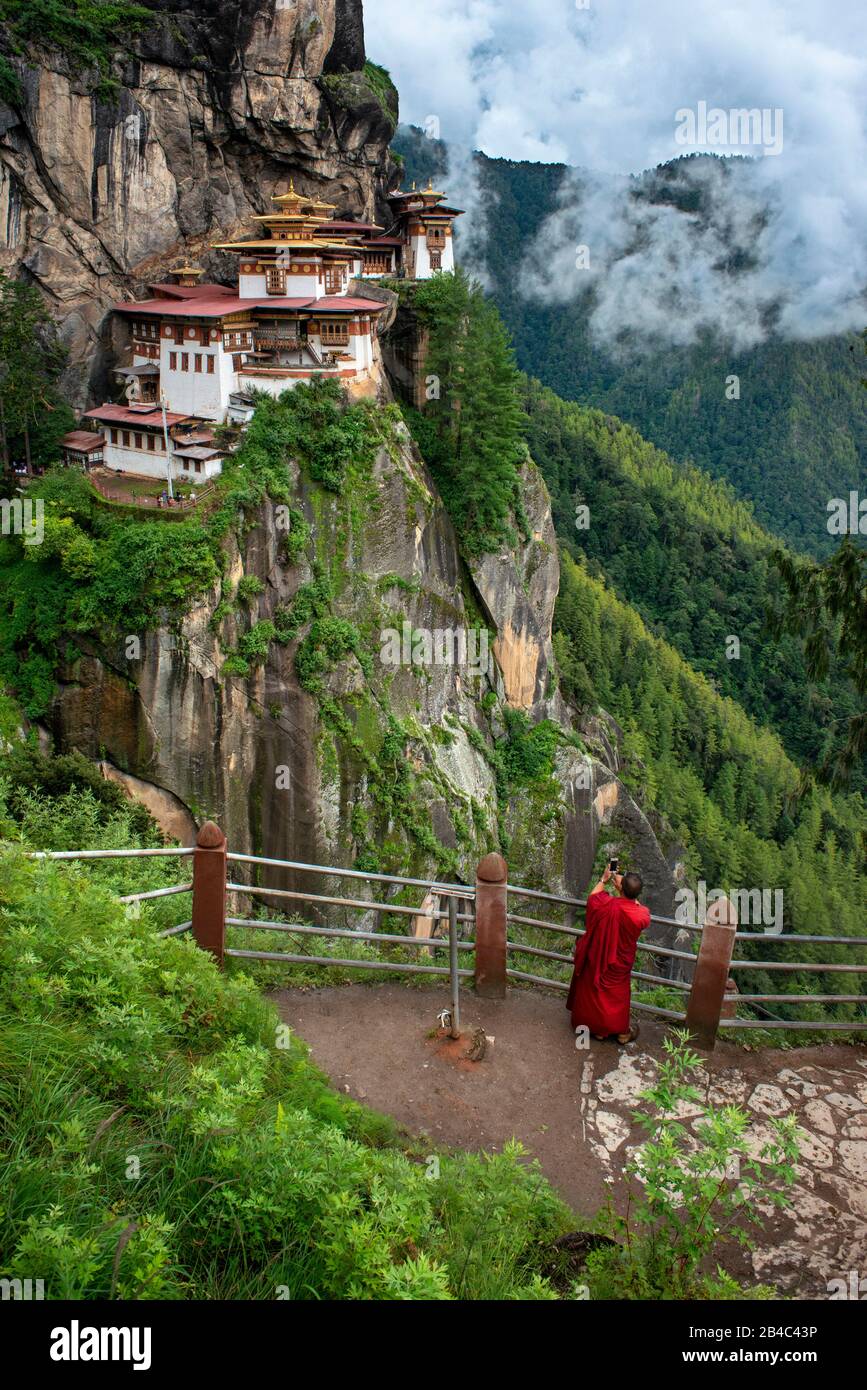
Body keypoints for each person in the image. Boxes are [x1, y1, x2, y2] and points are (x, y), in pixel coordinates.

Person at [566, 864, 650, 1044]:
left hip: (599, 956)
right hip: (621, 962)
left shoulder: (607, 904)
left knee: (594, 992)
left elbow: (593, 898)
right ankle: (620, 1032)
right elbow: (636, 907)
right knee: (616, 996)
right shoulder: (642, 914)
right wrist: (626, 892)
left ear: (621, 887)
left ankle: (597, 1030)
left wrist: (604, 879)